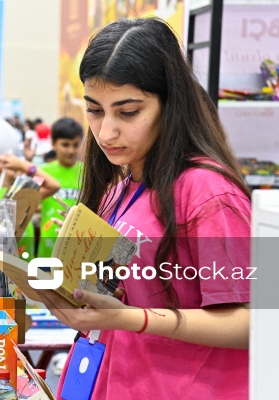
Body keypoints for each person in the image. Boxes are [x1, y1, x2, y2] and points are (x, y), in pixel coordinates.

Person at [37, 18, 250, 399]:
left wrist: (131, 318)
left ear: (170, 104)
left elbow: (253, 323)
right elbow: (117, 292)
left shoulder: (209, 193)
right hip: (116, 378)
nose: (105, 132)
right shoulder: (122, 188)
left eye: (128, 112)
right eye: (95, 110)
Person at [0, 150, 60, 260]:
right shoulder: (14, 197)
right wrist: (23, 165)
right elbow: (53, 186)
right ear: (0, 167)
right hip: (22, 272)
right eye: (6, 162)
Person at [37, 117, 84, 258]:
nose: (70, 150)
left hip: (78, 246)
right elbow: (31, 203)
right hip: (49, 243)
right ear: (53, 144)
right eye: (65, 145)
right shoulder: (42, 172)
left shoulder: (88, 173)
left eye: (75, 145)